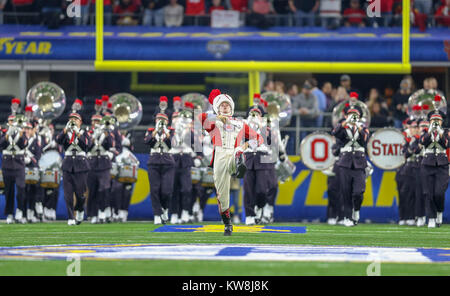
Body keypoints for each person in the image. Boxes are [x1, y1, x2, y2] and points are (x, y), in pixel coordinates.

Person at [198, 89, 263, 235]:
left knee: (237, 152)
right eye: (222, 105)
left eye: (227, 104)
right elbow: (200, 118)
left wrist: (244, 147)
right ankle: (227, 223)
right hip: (220, 155)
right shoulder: (213, 123)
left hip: (234, 152)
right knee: (222, 195)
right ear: (217, 108)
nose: (225, 107)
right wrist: (216, 116)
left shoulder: (241, 123)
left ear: (232, 107)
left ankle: (239, 162)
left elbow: (259, 138)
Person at [331, 104, 370, 227]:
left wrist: (357, 126)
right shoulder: (343, 127)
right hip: (345, 162)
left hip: (359, 162)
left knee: (359, 191)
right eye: (350, 115)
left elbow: (365, 139)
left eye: (355, 115)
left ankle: (356, 210)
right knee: (346, 191)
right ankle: (347, 217)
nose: (353, 117)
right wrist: (345, 123)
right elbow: (335, 133)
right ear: (346, 116)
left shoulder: (363, 128)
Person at [55, 105, 91, 226]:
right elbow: (58, 140)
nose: (73, 121)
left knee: (81, 194)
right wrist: (65, 130)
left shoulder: (85, 132)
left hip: (81, 163)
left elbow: (87, 144)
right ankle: (70, 217)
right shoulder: (66, 133)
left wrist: (78, 133)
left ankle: (80, 209)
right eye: (71, 119)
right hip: (68, 163)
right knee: (68, 194)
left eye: (75, 119)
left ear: (80, 121)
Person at [144, 109, 175, 225]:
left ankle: (165, 208)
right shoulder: (150, 130)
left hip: (167, 161)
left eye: (163, 120)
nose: (161, 121)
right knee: (155, 189)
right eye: (158, 119)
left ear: (167, 121)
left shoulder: (172, 131)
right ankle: (157, 214)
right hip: (154, 161)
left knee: (167, 190)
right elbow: (147, 142)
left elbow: (172, 144)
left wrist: (166, 132)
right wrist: (155, 131)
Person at [419, 108, 449, 228]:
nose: (436, 122)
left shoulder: (446, 132)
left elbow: (447, 143)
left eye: (438, 120)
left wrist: (440, 132)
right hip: (427, 164)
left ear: (442, 122)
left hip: (442, 165)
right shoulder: (426, 132)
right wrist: (430, 131)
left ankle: (439, 212)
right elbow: (422, 142)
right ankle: (431, 218)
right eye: (433, 120)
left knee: (439, 193)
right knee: (428, 193)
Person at [1, 107, 28, 224]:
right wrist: (7, 135)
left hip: (19, 164)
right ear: (8, 122)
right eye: (11, 121)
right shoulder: (3, 133)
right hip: (7, 165)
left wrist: (20, 135)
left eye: (14, 121)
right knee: (9, 191)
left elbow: (24, 145)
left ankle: (20, 211)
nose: (13, 123)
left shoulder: (22, 132)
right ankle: (10, 213)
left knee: (21, 188)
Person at [86, 114, 114, 224]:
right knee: (92, 190)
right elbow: (87, 146)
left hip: (104, 163)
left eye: (98, 121)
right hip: (92, 163)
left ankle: (103, 210)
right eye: (95, 121)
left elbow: (110, 145)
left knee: (104, 189)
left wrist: (105, 134)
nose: (96, 123)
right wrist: (93, 137)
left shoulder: (107, 133)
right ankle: (92, 214)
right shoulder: (88, 133)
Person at [23, 120, 42, 223]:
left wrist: (31, 160)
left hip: (32, 169)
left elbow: (38, 156)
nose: (27, 130)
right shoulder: (21, 139)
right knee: (23, 192)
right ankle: (23, 214)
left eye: (29, 129)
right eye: (26, 128)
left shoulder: (36, 140)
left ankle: (31, 213)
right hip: (22, 168)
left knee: (33, 192)